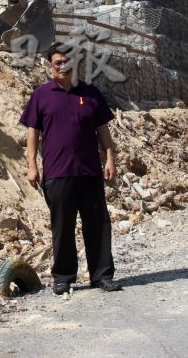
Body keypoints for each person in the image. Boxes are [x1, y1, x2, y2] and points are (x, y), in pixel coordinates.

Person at [20, 43, 121, 294]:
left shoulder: (91, 93)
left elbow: (103, 132)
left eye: (67, 61)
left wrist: (110, 158)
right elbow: (32, 134)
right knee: (62, 226)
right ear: (51, 65)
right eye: (58, 62)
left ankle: (101, 275)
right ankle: (63, 276)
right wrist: (32, 166)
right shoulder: (41, 96)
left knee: (97, 224)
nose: (62, 66)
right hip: (57, 172)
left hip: (89, 171)